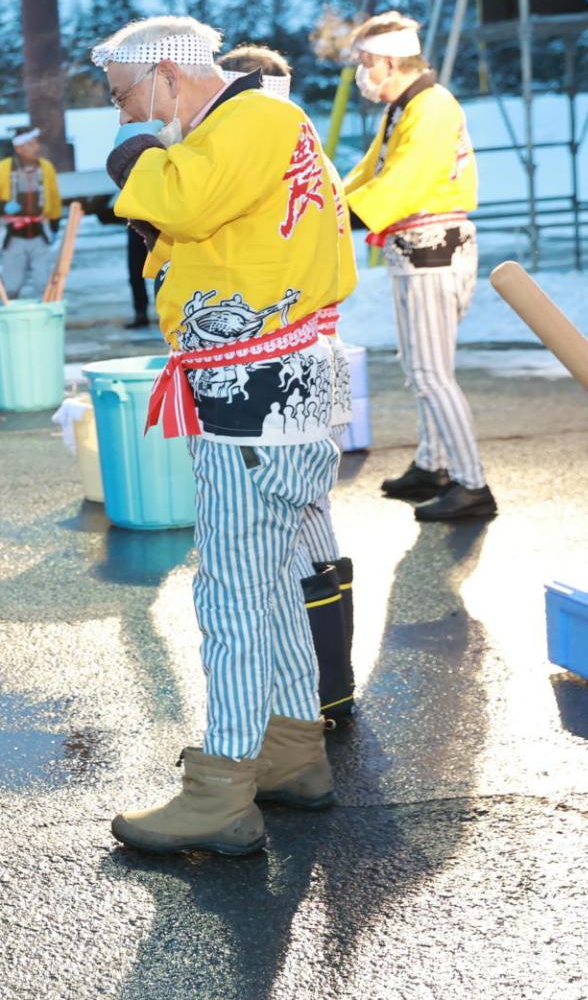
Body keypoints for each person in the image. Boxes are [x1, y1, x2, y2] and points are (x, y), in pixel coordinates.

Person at [92, 14, 356, 858]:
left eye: (126, 96)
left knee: (232, 594)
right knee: (272, 577)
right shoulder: (260, 126)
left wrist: (137, 157)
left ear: (169, 74)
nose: (125, 116)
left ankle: (222, 787)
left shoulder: (253, 120)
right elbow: (187, 236)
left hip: (256, 392)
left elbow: (176, 200)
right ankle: (291, 750)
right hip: (280, 382)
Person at [221, 44, 358, 714]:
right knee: (315, 512)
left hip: (288, 355)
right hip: (325, 344)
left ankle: (316, 694)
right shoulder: (312, 152)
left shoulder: (262, 153)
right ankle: (335, 687)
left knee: (288, 523)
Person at [343, 12, 495, 523]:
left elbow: (404, 180)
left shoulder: (432, 107)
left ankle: (472, 483)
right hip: (418, 247)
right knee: (422, 368)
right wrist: (323, 204)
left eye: (366, 62)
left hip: (434, 247)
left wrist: (342, 216)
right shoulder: (406, 108)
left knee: (430, 372)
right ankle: (432, 465)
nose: (363, 72)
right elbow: (371, 170)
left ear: (388, 61)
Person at [0, 128, 64, 300]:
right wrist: (3, 207)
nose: (35, 147)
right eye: (30, 144)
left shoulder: (46, 168)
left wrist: (54, 224)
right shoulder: (2, 169)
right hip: (14, 234)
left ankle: (46, 314)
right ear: (18, 148)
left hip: (39, 232)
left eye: (35, 143)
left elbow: (54, 198)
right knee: (12, 284)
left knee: (43, 281)